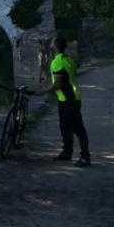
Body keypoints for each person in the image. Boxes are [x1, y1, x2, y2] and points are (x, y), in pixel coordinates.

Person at [30, 37, 91, 167]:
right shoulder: (69, 59)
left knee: (77, 128)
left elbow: (57, 85)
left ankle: (85, 157)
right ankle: (66, 153)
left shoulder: (57, 62)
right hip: (73, 96)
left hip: (67, 99)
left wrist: (41, 91)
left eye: (52, 45)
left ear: (55, 47)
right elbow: (72, 76)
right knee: (65, 127)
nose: (51, 46)